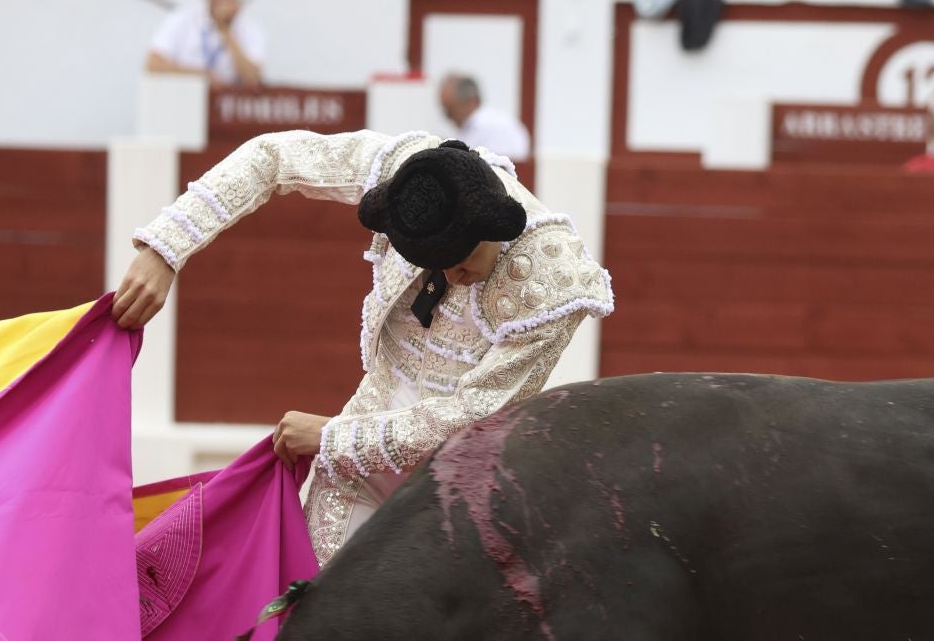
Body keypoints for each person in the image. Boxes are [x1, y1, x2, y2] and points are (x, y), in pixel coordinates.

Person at [112, 130, 612, 566]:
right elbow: (273, 156)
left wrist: (333, 437)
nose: (454, 279)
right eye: (438, 267)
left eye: (464, 263)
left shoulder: (552, 279)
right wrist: (165, 248)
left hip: (467, 478)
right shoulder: (406, 173)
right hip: (362, 450)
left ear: (495, 224)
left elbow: (471, 415)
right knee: (313, 620)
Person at [146, 0, 265, 87]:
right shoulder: (181, 19)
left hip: (226, 103)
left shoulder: (250, 27)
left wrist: (225, 30)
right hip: (185, 100)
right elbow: (153, 65)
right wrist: (201, 76)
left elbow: (253, 80)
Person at [439, 74, 532, 162]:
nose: (448, 117)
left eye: (451, 109)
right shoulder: (490, 121)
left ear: (471, 101)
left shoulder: (488, 125)